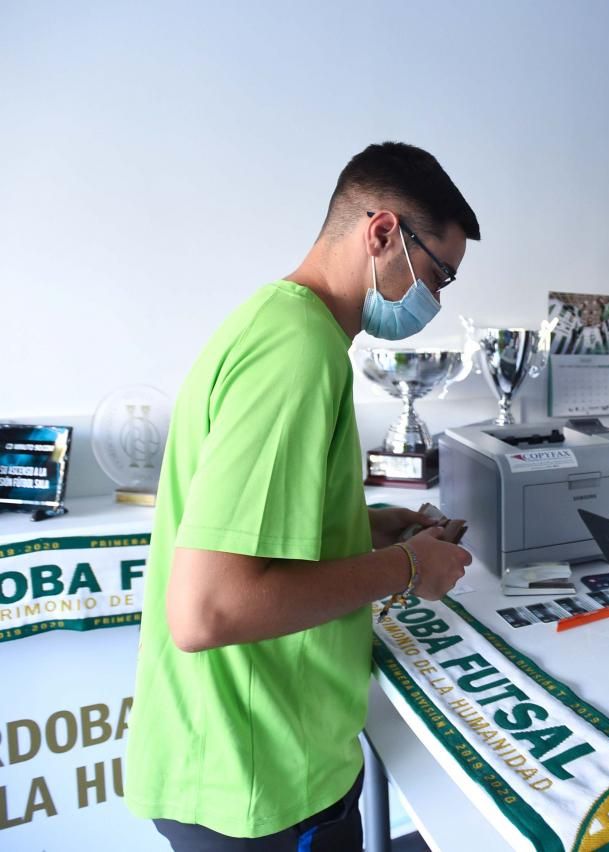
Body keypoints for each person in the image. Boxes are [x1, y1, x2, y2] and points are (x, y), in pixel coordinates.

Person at [124, 142, 480, 850]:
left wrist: (369, 526)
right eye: (437, 274)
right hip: (253, 782)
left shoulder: (279, 325)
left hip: (255, 760)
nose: (435, 302)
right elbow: (209, 609)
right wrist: (410, 569)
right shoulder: (296, 353)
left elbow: (252, 533)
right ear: (382, 233)